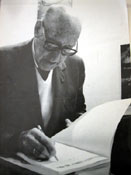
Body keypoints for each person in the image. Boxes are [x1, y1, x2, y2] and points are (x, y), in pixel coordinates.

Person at [0, 5, 86, 161]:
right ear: (37, 29)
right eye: (51, 45)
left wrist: (76, 127)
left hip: (59, 164)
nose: (56, 58)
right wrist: (17, 140)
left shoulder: (76, 66)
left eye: (67, 49)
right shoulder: (3, 61)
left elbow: (79, 110)